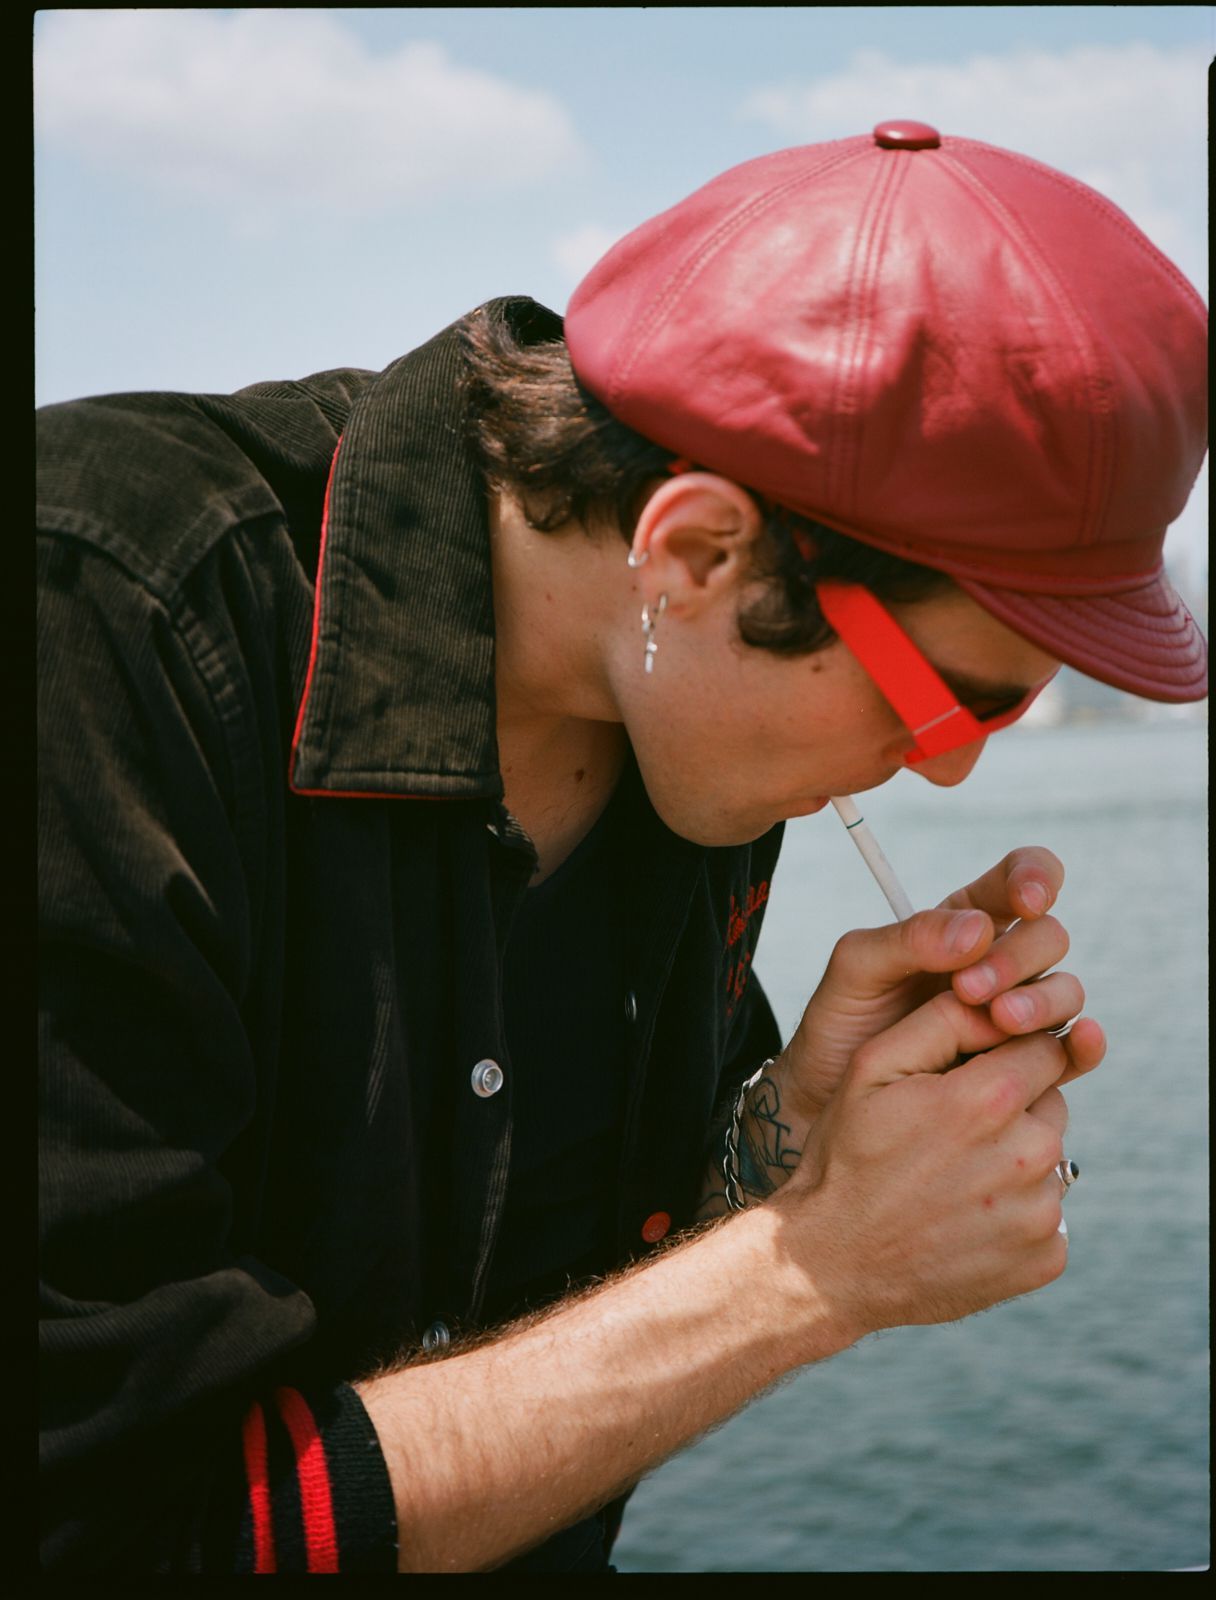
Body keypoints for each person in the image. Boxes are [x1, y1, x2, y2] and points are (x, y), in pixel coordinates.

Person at [37, 120, 1206, 1573]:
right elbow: (108, 1529)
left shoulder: (690, 721)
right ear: (699, 550)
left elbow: (567, 1322)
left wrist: (793, 1141)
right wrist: (815, 1270)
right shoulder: (103, 623)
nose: (956, 765)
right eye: (948, 699)